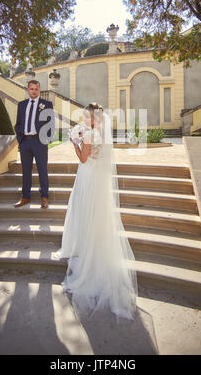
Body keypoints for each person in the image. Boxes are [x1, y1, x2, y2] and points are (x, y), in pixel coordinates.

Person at [53, 103, 138, 322]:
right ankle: (94, 248)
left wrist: (74, 142)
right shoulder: (102, 133)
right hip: (98, 180)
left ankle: (85, 252)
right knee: (96, 216)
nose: (82, 117)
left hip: (88, 177)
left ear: (93, 118)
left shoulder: (90, 133)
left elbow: (83, 158)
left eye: (85, 115)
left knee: (85, 213)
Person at [14, 79, 55, 209]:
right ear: (28, 90)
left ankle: (44, 197)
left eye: (36, 89)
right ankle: (25, 196)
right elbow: (18, 123)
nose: (34, 91)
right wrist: (20, 139)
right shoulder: (21, 105)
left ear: (39, 90)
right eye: (31, 89)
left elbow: (51, 123)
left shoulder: (46, 104)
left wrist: (46, 139)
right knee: (26, 171)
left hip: (39, 142)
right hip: (25, 142)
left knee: (42, 170)